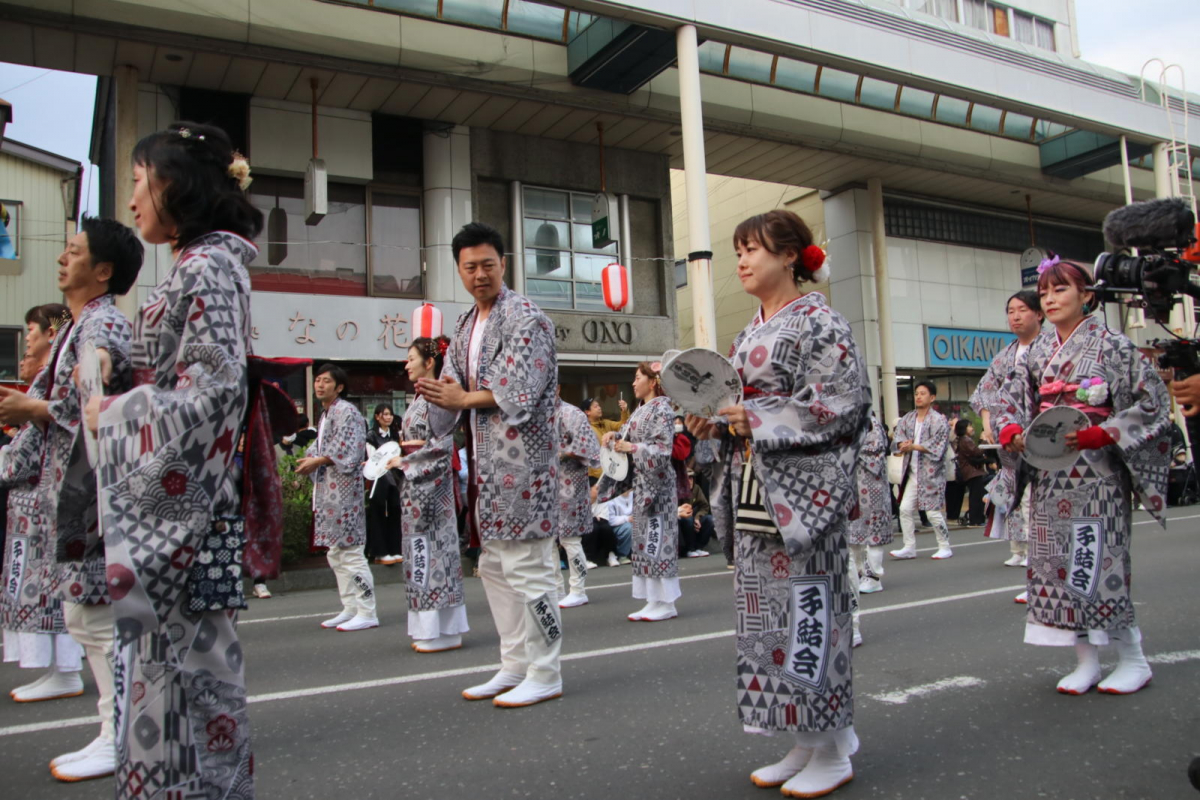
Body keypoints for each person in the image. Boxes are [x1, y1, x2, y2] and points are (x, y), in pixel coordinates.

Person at [86, 123, 258, 796]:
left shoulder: (207, 266)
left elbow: (211, 392)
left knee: (187, 678)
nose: (132, 198)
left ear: (176, 184)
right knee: (179, 676)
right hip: (186, 506)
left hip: (185, 513)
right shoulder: (200, 264)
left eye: (138, 179)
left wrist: (114, 411)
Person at [687, 209, 869, 797]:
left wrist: (757, 416)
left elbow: (844, 402)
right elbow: (735, 408)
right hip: (756, 489)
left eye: (753, 249)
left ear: (791, 255)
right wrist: (714, 425)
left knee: (811, 610)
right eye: (737, 249)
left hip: (804, 496)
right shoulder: (746, 336)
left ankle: (835, 744)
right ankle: (803, 736)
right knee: (770, 616)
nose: (741, 260)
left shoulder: (821, 322)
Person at [3, 220, 141, 782]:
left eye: (75, 251)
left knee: (98, 621)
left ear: (103, 271)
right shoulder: (79, 324)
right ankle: (115, 730)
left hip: (93, 498)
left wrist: (35, 410)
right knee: (86, 621)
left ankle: (124, 735)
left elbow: (98, 391)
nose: (63, 257)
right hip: (75, 494)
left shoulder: (103, 323)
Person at [998, 257, 1169, 695]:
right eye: (1045, 292)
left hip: (1097, 475)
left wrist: (1105, 432)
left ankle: (1134, 657)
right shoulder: (1035, 352)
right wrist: (1012, 429)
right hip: (1052, 474)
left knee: (1099, 562)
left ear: (1087, 295)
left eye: (1061, 290)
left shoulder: (1114, 346)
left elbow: (1153, 405)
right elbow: (1011, 402)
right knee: (1058, 567)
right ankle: (1086, 660)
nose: (1050, 299)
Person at [421, 221, 563, 708]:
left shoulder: (527, 318)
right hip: (485, 469)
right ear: (458, 269)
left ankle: (546, 671)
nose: (479, 274)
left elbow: (520, 392)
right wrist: (437, 399)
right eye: (469, 266)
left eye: (487, 264)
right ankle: (514, 665)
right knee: (496, 568)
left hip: (526, 468)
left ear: (503, 264)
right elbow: (451, 389)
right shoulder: (464, 325)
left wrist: (461, 398)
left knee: (531, 570)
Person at [1, 304, 85, 705]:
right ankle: (61, 670)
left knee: (47, 589)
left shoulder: (54, 378)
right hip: (40, 496)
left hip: (41, 496)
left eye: (30, 332)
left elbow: (33, 444)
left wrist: (6, 462)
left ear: (51, 333)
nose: (28, 339)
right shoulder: (54, 376)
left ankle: (65, 672)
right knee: (48, 589)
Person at [386, 336, 469, 652]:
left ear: (429, 362)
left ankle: (440, 632)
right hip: (416, 489)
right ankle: (442, 630)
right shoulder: (421, 400)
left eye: (411, 358)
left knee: (432, 555)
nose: (406, 364)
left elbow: (444, 445)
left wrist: (405, 462)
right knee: (428, 555)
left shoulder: (439, 398)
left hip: (431, 493)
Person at [596, 362, 680, 622]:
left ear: (652, 381)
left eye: (637, 378)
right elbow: (626, 436)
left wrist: (631, 448)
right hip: (644, 486)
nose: (633, 383)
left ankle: (666, 602)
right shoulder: (640, 410)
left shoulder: (663, 409)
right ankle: (653, 600)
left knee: (658, 542)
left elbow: (663, 450)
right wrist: (613, 437)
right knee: (645, 544)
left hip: (659, 487)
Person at [297, 363, 377, 632]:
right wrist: (309, 459)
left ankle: (367, 610)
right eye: (317, 380)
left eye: (326, 381)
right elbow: (320, 447)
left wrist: (317, 460)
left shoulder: (347, 412)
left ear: (339, 387)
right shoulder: (326, 415)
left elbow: (351, 450)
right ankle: (351, 607)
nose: (319, 385)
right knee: (336, 552)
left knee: (351, 552)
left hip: (344, 494)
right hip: (329, 493)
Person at [971, 289, 1044, 573]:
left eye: (1022, 309)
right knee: (1014, 496)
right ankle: (1020, 548)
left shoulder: (1052, 347)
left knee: (1034, 500)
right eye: (1010, 311)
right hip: (1009, 439)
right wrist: (988, 425)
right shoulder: (1005, 355)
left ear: (1039, 314)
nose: (1015, 316)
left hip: (1041, 436)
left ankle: (1039, 564)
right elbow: (985, 392)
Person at [889, 381, 953, 560]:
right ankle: (909, 546)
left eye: (923, 393)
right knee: (904, 509)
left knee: (933, 512)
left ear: (932, 397)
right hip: (912, 472)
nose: (918, 396)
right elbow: (897, 439)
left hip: (932, 473)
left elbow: (938, 446)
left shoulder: (938, 419)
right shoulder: (908, 418)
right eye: (917, 393)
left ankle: (944, 546)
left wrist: (914, 446)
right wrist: (902, 444)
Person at [556, 386, 601, 608]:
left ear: (556, 388)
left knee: (570, 539)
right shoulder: (536, 413)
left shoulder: (572, 413)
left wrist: (561, 453)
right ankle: (555, 589)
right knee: (548, 541)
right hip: (545, 486)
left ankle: (578, 589)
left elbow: (588, 447)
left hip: (570, 484)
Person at [847, 411, 893, 602]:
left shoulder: (870, 423)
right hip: (854, 487)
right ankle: (859, 573)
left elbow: (875, 452)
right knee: (853, 534)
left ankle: (874, 576)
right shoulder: (850, 421)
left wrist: (847, 448)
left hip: (872, 487)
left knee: (873, 535)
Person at [365, 403, 403, 565]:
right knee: (378, 513)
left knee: (395, 510)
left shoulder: (395, 436)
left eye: (390, 414)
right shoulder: (371, 436)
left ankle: (395, 549)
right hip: (378, 480)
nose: (388, 417)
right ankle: (379, 552)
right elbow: (373, 460)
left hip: (394, 479)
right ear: (377, 417)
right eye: (385, 414)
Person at [584, 396, 629, 482]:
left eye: (599, 406)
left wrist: (624, 411)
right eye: (595, 406)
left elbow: (623, 427)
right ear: (587, 412)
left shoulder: (605, 423)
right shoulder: (587, 430)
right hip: (597, 477)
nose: (599, 408)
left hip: (610, 472)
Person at [954, 419, 988, 526]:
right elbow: (977, 452)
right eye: (969, 426)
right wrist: (984, 441)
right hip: (973, 472)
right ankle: (975, 520)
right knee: (976, 496)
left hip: (970, 471)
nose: (972, 428)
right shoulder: (966, 440)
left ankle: (976, 519)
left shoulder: (962, 440)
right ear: (963, 428)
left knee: (975, 495)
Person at [589, 490, 633, 566]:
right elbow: (611, 520)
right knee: (628, 528)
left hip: (631, 522)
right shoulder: (611, 497)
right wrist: (628, 519)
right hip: (614, 526)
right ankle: (622, 555)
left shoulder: (635, 495)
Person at [677, 472, 715, 558]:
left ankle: (699, 547)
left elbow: (704, 506)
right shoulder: (677, 490)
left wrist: (697, 518)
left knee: (710, 519)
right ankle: (690, 549)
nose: (689, 481)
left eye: (691, 478)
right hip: (680, 519)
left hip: (693, 517)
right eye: (687, 478)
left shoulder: (696, 488)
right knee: (688, 519)